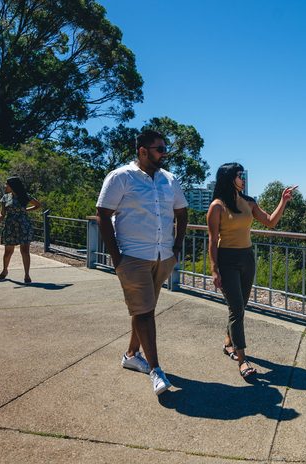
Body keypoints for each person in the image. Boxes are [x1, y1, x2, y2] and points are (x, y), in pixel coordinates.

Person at [96, 129, 188, 396]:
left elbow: (182, 213)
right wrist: (117, 257)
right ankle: (156, 370)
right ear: (143, 151)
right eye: (159, 149)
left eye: (164, 148)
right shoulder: (120, 177)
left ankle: (131, 355)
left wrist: (177, 247)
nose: (164, 153)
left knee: (143, 310)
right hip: (133, 256)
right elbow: (103, 214)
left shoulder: (170, 180)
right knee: (145, 312)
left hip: (163, 256)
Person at [206, 163, 296, 380]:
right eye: (239, 175)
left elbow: (270, 222)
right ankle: (242, 360)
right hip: (227, 260)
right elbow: (212, 240)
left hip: (247, 258)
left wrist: (283, 201)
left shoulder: (248, 202)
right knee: (236, 309)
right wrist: (214, 270)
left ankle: (229, 342)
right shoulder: (217, 206)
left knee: (240, 307)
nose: (242, 178)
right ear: (229, 179)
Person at [0, 176, 42, 283]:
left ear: (12, 186)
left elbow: (38, 205)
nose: (5, 186)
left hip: (23, 225)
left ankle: (27, 275)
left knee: (25, 251)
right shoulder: (5, 197)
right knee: (8, 251)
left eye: (7, 184)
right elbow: (2, 213)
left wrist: (25, 210)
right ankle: (5, 270)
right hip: (10, 225)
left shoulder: (25, 196)